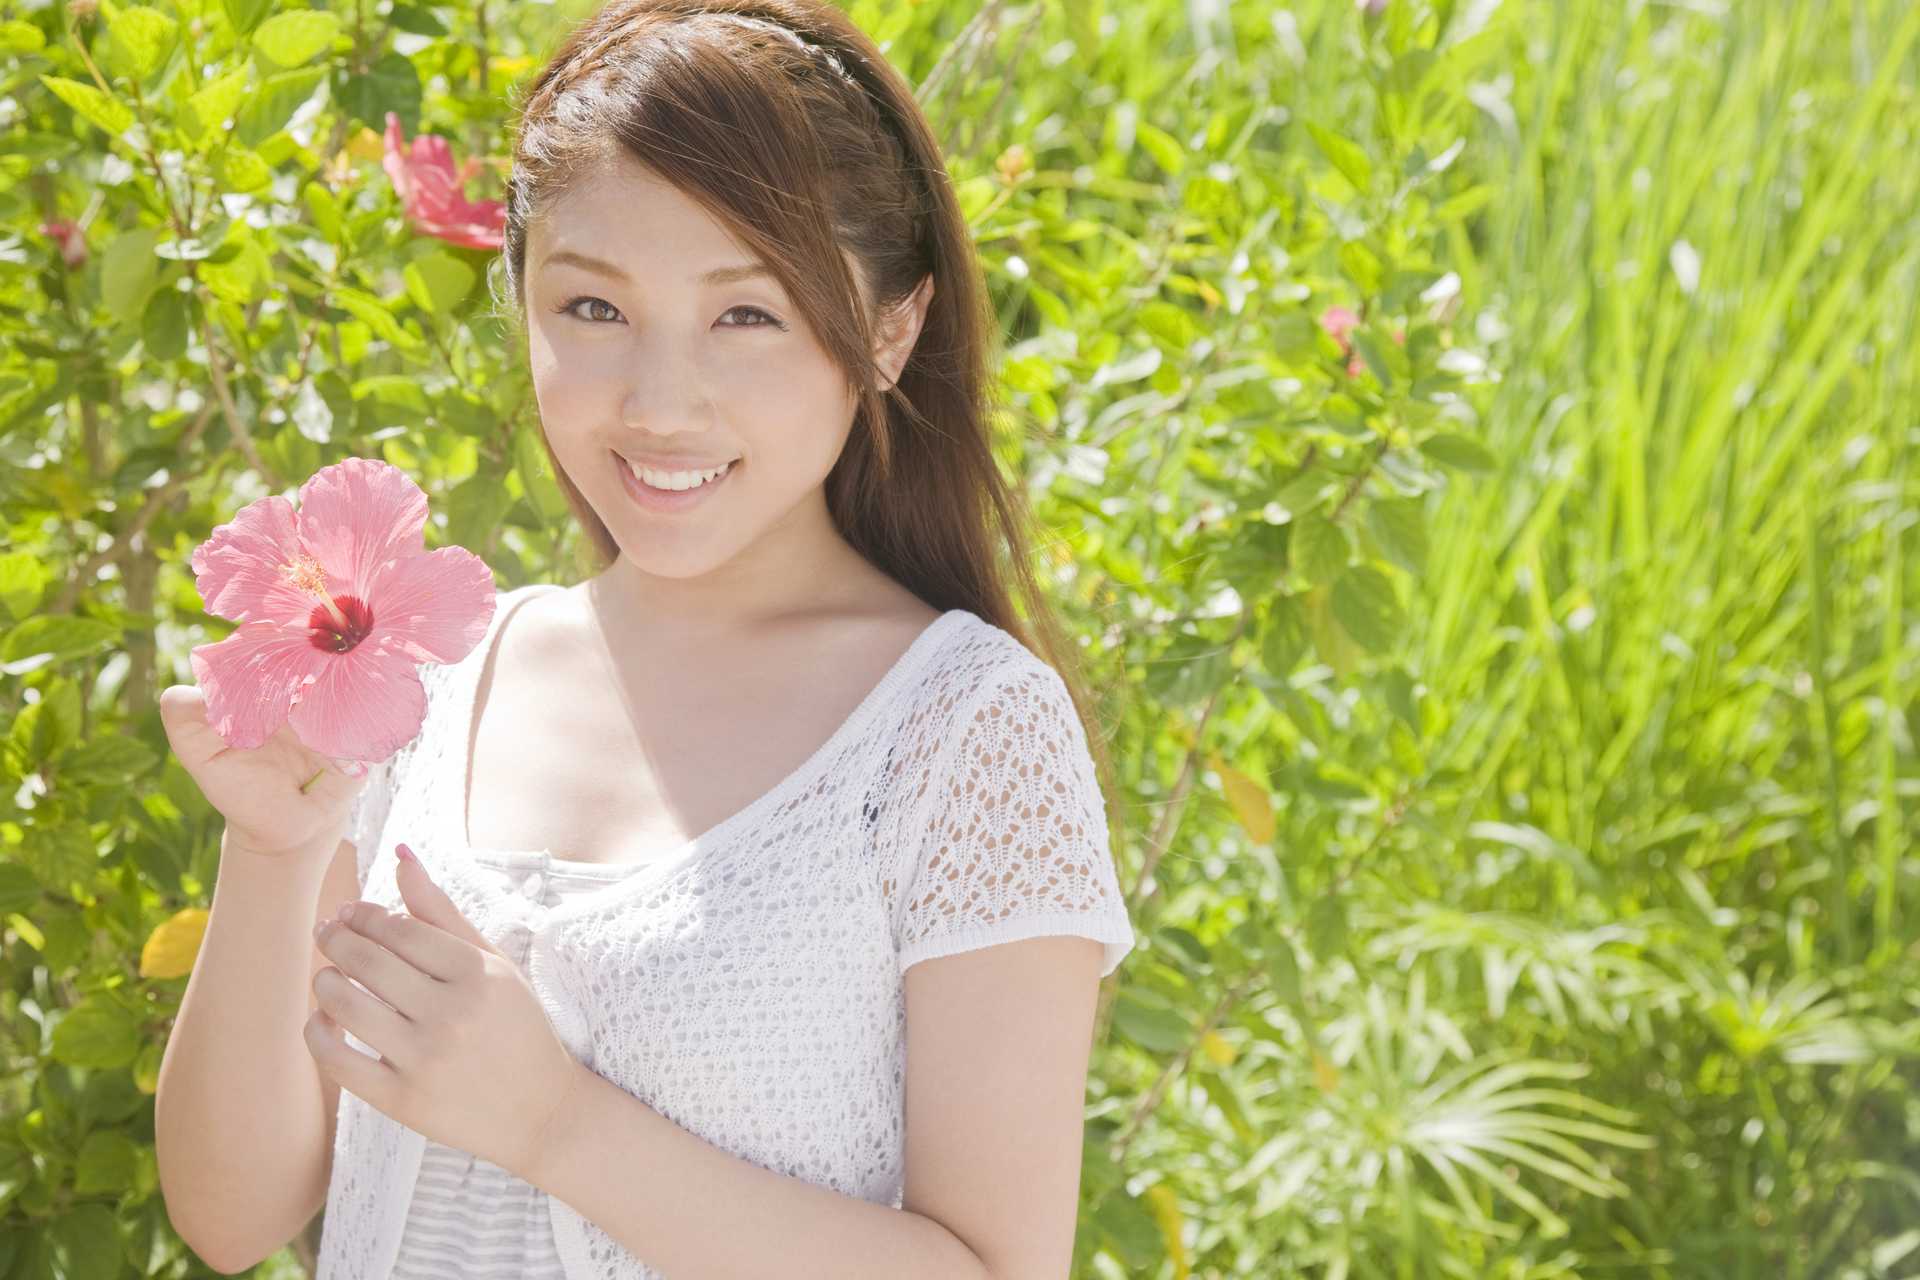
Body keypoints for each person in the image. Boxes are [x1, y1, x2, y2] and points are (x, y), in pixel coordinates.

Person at [156, 2, 1137, 1277]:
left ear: (890, 331)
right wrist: (274, 849)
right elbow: (231, 1219)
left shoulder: (959, 727)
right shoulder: (437, 681)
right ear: (521, 298)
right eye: (594, 307)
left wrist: (555, 1123)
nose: (662, 403)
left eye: (748, 316)